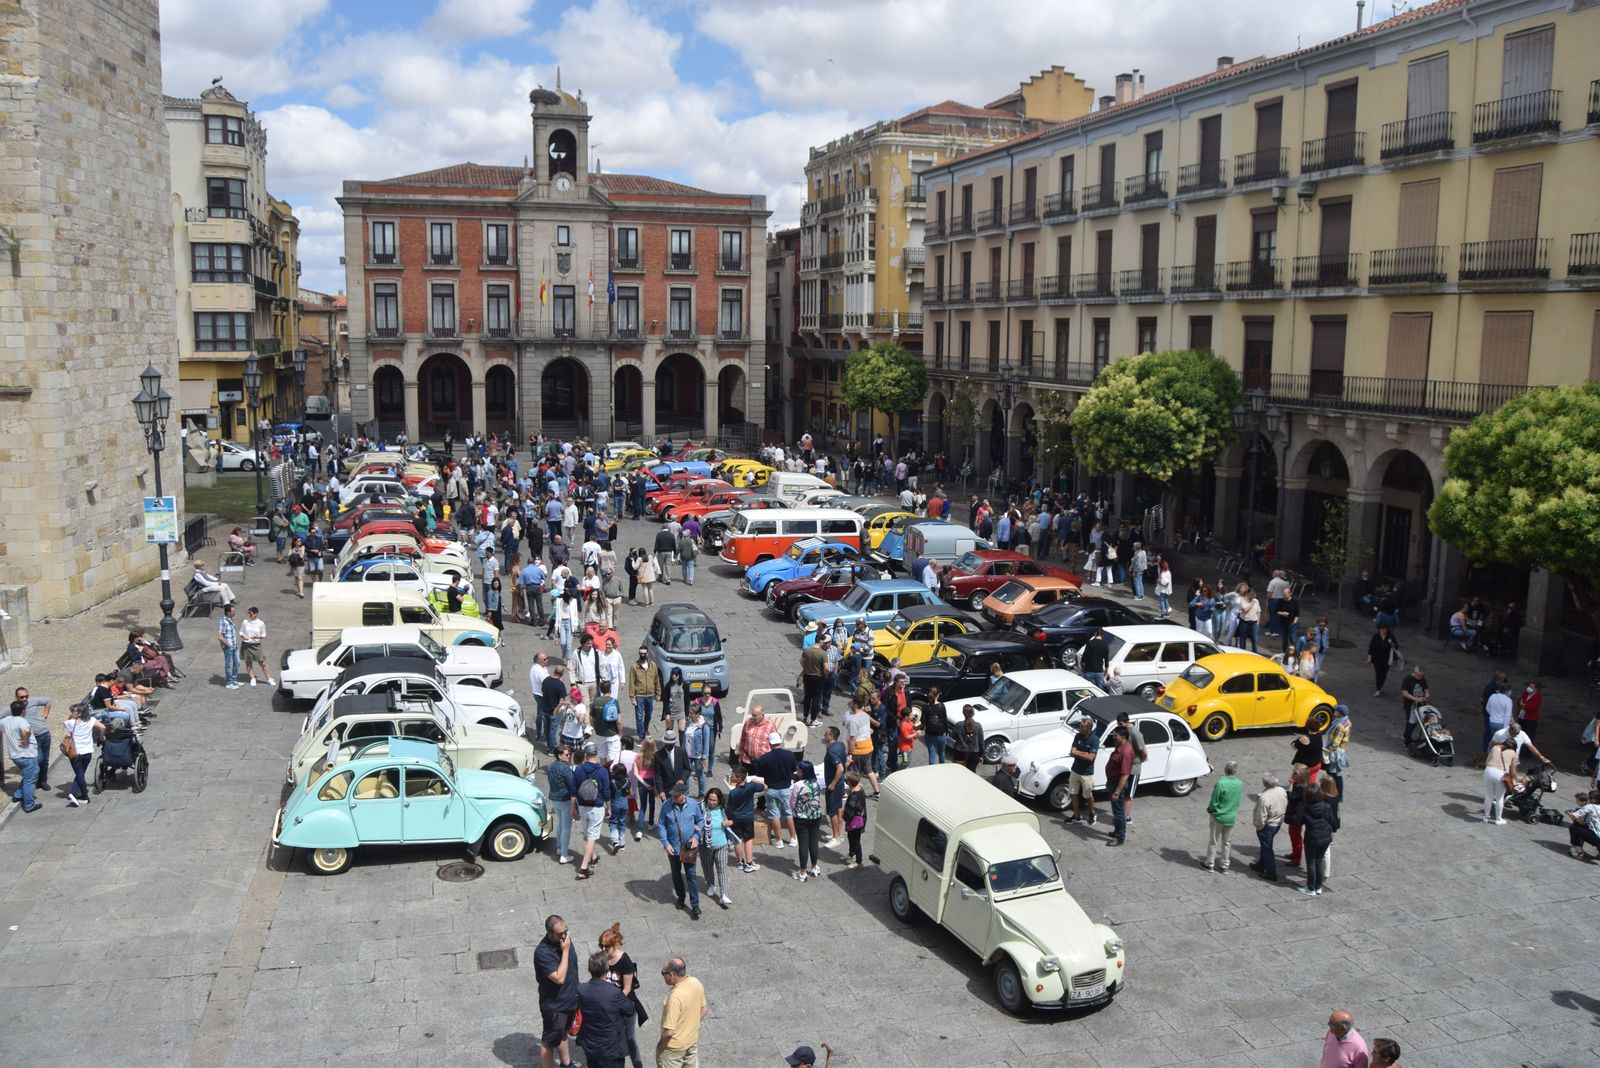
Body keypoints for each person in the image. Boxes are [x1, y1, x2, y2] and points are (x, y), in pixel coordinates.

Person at [533, 915, 580, 1068]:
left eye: (566, 930)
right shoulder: (543, 952)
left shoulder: (564, 939)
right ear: (550, 934)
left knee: (563, 1033)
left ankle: (566, 1063)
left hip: (570, 999)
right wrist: (565, 950)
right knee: (549, 1041)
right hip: (555, 1005)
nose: (565, 935)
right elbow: (559, 978)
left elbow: (572, 968)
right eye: (560, 934)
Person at [576, 949, 636, 1068]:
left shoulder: (582, 990)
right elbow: (629, 1009)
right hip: (611, 1048)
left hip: (591, 1046)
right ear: (607, 969)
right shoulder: (614, 993)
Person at [599, 924, 648, 1068]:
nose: (603, 949)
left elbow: (627, 988)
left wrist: (614, 1004)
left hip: (624, 1005)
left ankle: (638, 1065)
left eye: (606, 946)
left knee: (630, 1038)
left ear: (614, 945)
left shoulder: (625, 961)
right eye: (601, 945)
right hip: (608, 1006)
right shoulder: (603, 958)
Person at [658, 783, 705, 920]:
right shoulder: (667, 805)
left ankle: (695, 905)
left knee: (691, 875)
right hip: (673, 848)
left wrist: (697, 837)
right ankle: (681, 897)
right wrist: (665, 843)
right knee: (676, 874)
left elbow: (701, 821)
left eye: (675, 796)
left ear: (683, 795)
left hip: (689, 847)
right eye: (672, 795)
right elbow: (661, 824)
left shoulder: (693, 804)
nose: (672, 797)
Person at [656, 957, 707, 1068]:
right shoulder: (695, 982)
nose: (663, 976)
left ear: (672, 974)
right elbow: (704, 1010)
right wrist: (690, 1028)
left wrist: (660, 1046)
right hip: (691, 1042)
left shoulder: (675, 998)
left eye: (663, 973)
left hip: (673, 1050)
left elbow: (669, 1032)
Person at [573, 742, 611, 880]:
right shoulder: (602, 771)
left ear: (585, 754)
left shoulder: (578, 770)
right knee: (592, 836)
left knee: (588, 833)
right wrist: (609, 807)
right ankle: (583, 868)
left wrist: (573, 808)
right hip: (596, 806)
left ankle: (593, 857)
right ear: (596, 753)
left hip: (582, 806)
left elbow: (573, 790)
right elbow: (606, 791)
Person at [756, 732, 799, 848]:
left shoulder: (764, 758)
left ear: (769, 743)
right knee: (788, 814)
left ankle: (779, 840)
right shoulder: (789, 755)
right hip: (785, 789)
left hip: (771, 790)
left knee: (774, 815)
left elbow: (760, 775)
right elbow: (794, 770)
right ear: (780, 741)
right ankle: (793, 838)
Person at [1202, 760, 1244, 873]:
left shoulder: (1221, 783)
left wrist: (1211, 810)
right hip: (1231, 817)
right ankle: (1225, 865)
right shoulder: (1239, 783)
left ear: (1225, 770)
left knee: (1213, 841)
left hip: (1218, 817)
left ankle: (1209, 863)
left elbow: (1214, 801)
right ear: (1235, 772)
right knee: (1227, 842)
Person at [1299, 782, 1339, 896]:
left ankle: (1311, 888)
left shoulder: (1305, 808)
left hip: (1312, 838)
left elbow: (1298, 822)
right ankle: (1318, 887)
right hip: (1325, 837)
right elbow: (1332, 820)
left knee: (1311, 862)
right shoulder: (1326, 806)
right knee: (1319, 861)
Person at [725, 767, 766, 873]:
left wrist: (730, 819)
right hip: (748, 817)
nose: (731, 776)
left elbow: (730, 809)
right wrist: (754, 780)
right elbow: (764, 786)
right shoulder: (751, 787)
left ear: (739, 779)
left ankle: (739, 862)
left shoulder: (733, 792)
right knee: (748, 839)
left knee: (737, 840)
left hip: (736, 819)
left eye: (733, 775)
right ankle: (749, 863)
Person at [1249, 772, 1288, 882]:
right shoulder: (1281, 790)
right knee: (1265, 845)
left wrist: (1259, 827)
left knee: (1267, 849)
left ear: (1265, 783)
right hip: (1278, 822)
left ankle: (1271, 873)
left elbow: (1261, 815)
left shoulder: (1264, 797)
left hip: (1268, 825)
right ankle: (1261, 865)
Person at [1063, 715, 1101, 827]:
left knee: (1087, 795)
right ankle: (1077, 815)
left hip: (1086, 773)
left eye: (1082, 726)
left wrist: (1078, 753)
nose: (1079, 728)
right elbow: (1072, 751)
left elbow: (1090, 758)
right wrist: (1084, 753)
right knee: (1073, 793)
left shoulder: (1095, 740)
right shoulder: (1078, 736)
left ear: (1088, 728)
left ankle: (1092, 813)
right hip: (1075, 770)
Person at [699, 787, 734, 908]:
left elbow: (733, 819)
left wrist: (729, 823)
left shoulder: (723, 809)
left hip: (721, 844)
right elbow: (694, 820)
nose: (712, 802)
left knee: (722, 869)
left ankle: (724, 894)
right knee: (707, 867)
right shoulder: (701, 807)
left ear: (719, 800)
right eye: (710, 799)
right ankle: (711, 884)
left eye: (715, 800)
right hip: (705, 845)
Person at [791, 760, 825, 881]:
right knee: (814, 842)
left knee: (803, 844)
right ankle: (814, 867)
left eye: (799, 770)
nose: (797, 772)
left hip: (801, 817)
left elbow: (793, 803)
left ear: (803, 771)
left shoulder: (798, 785)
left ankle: (802, 872)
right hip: (815, 815)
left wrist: (795, 812)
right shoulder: (817, 783)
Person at [3, 700, 40, 812]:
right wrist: (25, 740)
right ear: (23, 711)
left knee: (31, 774)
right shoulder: (22, 721)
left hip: (15, 755)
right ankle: (29, 805)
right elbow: (27, 730)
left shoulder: (6, 721)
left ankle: (18, 794)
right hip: (27, 755)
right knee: (30, 779)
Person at [1104, 726, 1134, 846]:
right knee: (1116, 810)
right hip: (1112, 782)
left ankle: (1120, 837)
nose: (1113, 737)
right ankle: (1117, 831)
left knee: (1119, 812)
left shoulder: (1126, 751)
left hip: (1117, 784)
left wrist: (1117, 791)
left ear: (1124, 737)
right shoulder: (1119, 746)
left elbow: (1125, 774)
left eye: (1116, 735)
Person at [546, 744, 576, 863]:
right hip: (564, 800)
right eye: (567, 755)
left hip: (554, 799)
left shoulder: (551, 766)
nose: (569, 756)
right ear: (559, 755)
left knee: (561, 824)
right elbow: (572, 784)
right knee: (566, 827)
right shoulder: (565, 768)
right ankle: (564, 854)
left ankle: (559, 848)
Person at [822, 725, 847, 846]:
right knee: (838, 809)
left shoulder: (831, 751)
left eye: (826, 733)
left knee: (832, 811)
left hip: (834, 785)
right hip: (840, 783)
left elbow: (840, 768)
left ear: (831, 736)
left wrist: (832, 784)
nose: (824, 735)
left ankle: (836, 838)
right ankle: (838, 833)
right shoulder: (841, 745)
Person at [238, 607, 275, 688]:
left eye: (250, 613)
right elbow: (241, 632)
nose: (249, 615)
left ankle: (269, 678)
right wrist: (243, 636)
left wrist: (258, 637)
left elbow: (264, 635)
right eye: (248, 613)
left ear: (255, 614)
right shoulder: (245, 622)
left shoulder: (260, 623)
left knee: (262, 662)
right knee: (248, 662)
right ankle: (252, 678)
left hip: (256, 645)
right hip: (246, 645)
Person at [1482, 739, 1517, 824]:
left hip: (1489, 771)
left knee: (1489, 795)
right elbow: (1512, 770)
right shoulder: (1513, 753)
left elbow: (1487, 761)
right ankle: (1498, 819)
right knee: (1499, 798)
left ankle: (1486, 817)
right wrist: (1515, 779)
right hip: (1501, 774)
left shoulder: (1494, 748)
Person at [841, 769, 868, 868]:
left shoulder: (854, 796)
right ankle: (851, 854)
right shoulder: (860, 789)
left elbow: (849, 811)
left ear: (849, 783)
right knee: (851, 838)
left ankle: (859, 861)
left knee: (855, 840)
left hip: (855, 822)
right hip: (860, 819)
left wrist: (843, 815)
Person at [1398, 665, 1429, 748]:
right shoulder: (1408, 679)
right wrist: (1415, 699)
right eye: (1420, 675)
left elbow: (1426, 690)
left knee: (1414, 723)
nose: (1421, 677)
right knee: (1411, 723)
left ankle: (1405, 735)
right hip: (1410, 705)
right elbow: (1404, 693)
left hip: (1421, 705)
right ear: (1415, 673)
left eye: (1422, 675)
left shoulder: (1422, 679)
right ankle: (1407, 741)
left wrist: (1426, 695)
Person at [1366, 623, 1400, 697]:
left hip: (1386, 659)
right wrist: (1369, 657)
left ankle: (1380, 686)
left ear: (1387, 630)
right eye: (1381, 629)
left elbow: (1396, 646)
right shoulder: (1376, 636)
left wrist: (1391, 643)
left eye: (1384, 629)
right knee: (1378, 672)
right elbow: (1371, 647)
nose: (1382, 630)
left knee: (1384, 673)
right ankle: (1378, 688)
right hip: (1376, 658)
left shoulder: (1390, 637)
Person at [1566, 790, 1600, 859]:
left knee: (1574, 827)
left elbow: (1575, 816)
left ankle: (1578, 851)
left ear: (1593, 800)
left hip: (1597, 838)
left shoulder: (1590, 806)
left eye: (1589, 798)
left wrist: (1568, 812)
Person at [952, 703, 985, 774]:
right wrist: (981, 755)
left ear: (963, 713)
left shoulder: (959, 724)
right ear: (973, 713)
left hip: (959, 752)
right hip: (974, 753)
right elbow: (981, 742)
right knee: (971, 774)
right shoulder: (978, 726)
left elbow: (953, 736)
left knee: (957, 773)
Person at [217, 603, 241, 690]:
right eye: (233, 611)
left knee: (237, 662)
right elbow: (220, 636)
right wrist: (228, 645)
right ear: (228, 612)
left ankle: (234, 679)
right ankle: (229, 682)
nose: (234, 612)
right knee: (229, 664)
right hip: (228, 647)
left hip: (234, 646)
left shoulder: (231, 619)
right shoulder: (223, 621)